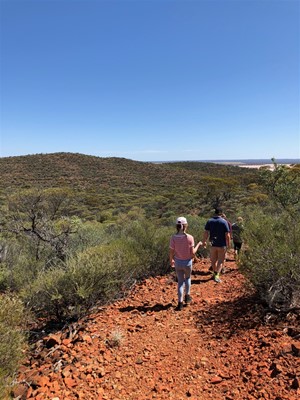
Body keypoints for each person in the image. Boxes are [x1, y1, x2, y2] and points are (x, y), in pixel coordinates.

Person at [169, 217, 202, 311]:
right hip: (187, 262)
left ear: (177, 226)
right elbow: (192, 253)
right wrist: (198, 245)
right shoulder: (190, 237)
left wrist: (171, 260)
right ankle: (187, 296)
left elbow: (171, 251)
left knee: (180, 282)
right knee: (187, 278)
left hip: (178, 262)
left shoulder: (173, 238)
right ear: (186, 226)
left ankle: (180, 303)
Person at [202, 207, 231, 283]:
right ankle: (217, 275)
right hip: (222, 244)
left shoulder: (209, 221)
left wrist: (204, 241)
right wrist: (228, 244)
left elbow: (206, 232)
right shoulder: (224, 222)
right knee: (221, 260)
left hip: (212, 244)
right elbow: (227, 234)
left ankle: (214, 273)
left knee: (213, 260)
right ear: (221, 213)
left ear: (214, 213)